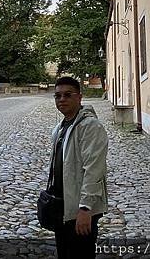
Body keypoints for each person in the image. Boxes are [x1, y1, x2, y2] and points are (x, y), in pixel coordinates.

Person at [49, 76, 108, 259]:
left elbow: (94, 170)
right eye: (57, 96)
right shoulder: (60, 127)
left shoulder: (90, 127)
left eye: (67, 95)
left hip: (80, 209)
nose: (62, 100)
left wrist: (85, 208)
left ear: (79, 97)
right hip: (63, 206)